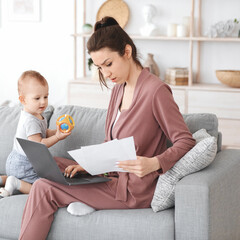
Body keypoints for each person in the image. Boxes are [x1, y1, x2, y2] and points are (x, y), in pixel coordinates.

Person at [18, 17, 196, 240]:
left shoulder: (156, 91)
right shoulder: (117, 90)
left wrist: (154, 162)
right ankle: (84, 198)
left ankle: (83, 199)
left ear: (127, 52)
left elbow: (186, 141)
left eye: (109, 64)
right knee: (52, 165)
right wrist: (88, 165)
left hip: (133, 189)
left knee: (44, 187)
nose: (105, 74)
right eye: (100, 67)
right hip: (110, 174)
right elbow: (111, 143)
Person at [0, 70, 71, 197]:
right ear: (23, 100)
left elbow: (43, 133)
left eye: (45, 97)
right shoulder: (30, 121)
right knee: (42, 188)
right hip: (24, 163)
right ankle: (15, 183)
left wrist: (55, 132)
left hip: (17, 160)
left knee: (17, 176)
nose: (43, 102)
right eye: (37, 98)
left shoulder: (36, 115)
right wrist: (57, 137)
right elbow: (39, 143)